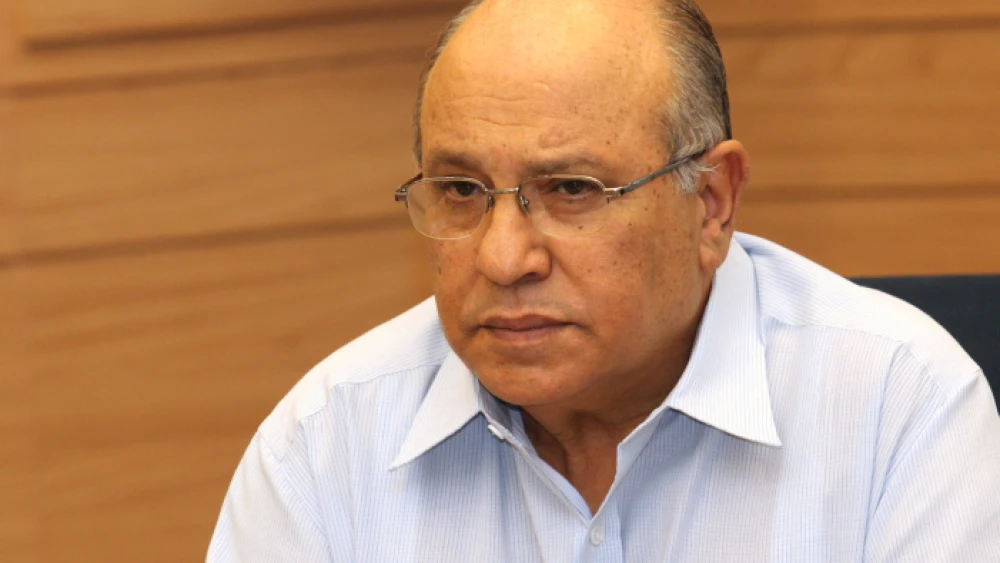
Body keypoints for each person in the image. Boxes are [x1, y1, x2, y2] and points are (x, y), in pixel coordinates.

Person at [208, 0, 1000, 561]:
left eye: (573, 190)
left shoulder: (902, 410)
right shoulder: (325, 446)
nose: (503, 257)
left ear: (712, 203)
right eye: (460, 191)